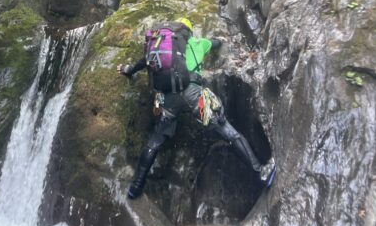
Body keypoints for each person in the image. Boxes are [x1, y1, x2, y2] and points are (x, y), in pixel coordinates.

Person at [117, 18, 275, 199]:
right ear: (189, 32)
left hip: (168, 98)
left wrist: (127, 69)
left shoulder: (162, 45)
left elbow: (142, 62)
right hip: (194, 95)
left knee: (155, 141)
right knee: (228, 131)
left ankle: (135, 187)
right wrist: (219, 41)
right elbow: (216, 43)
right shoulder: (197, 43)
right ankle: (261, 172)